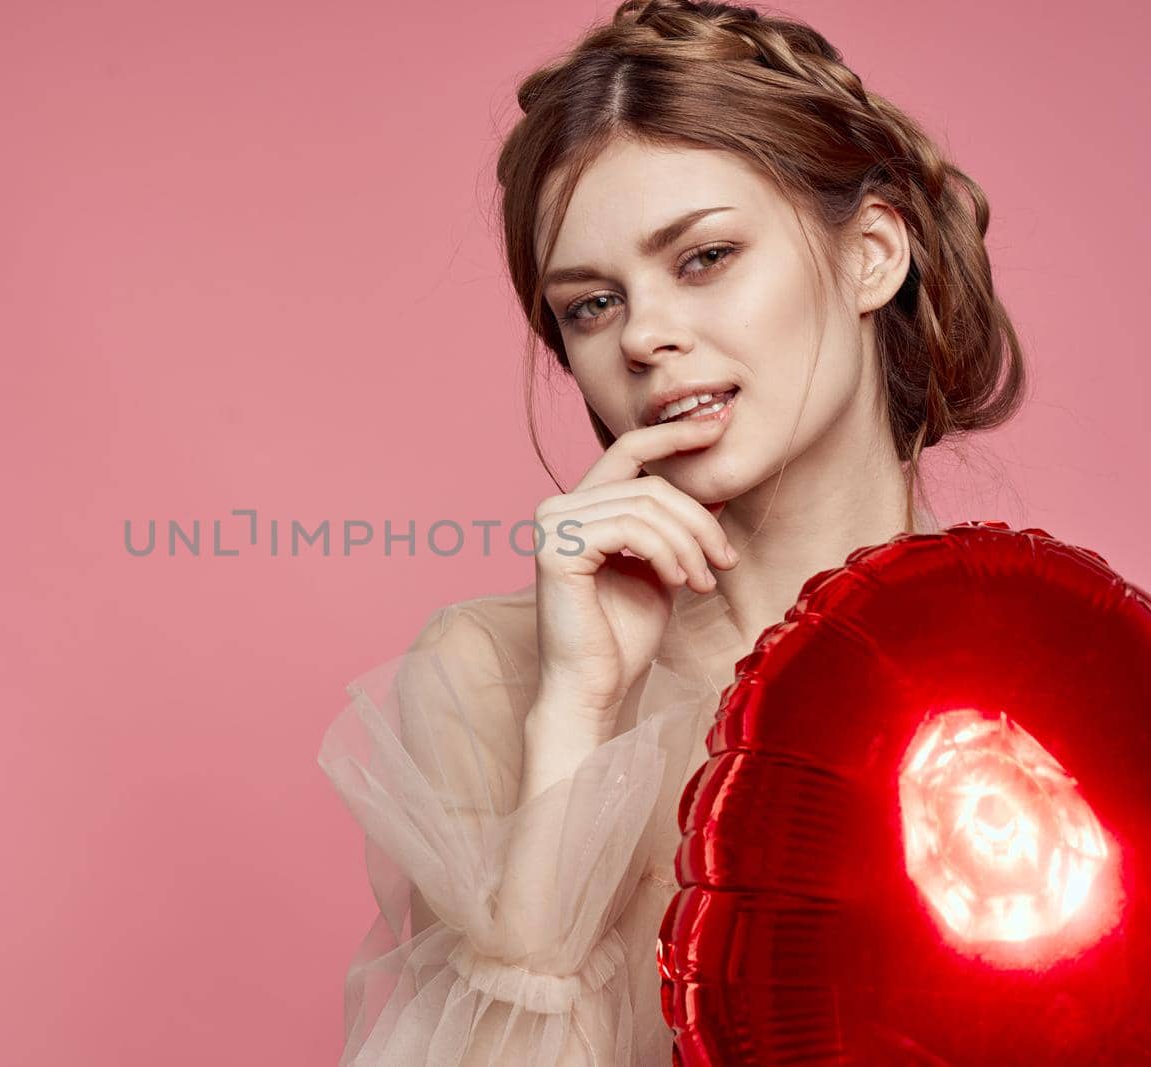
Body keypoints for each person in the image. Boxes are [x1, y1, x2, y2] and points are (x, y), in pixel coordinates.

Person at [316, 0, 1028, 1063]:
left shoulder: (1061, 661)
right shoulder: (494, 677)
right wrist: (579, 713)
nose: (646, 335)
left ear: (873, 253)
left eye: (702, 258)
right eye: (592, 305)